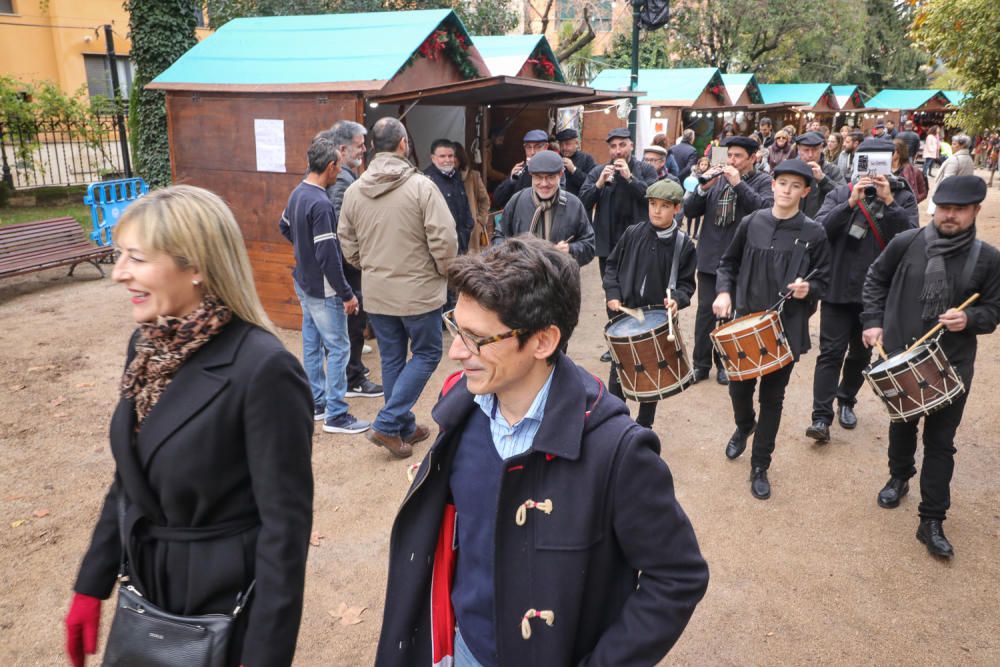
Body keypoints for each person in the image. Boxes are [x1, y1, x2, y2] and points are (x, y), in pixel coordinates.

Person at [375, 236, 709, 666]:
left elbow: (678, 576)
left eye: (477, 339)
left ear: (543, 341)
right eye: (455, 328)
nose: (456, 352)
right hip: (463, 651)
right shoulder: (459, 411)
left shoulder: (618, 452)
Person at [65, 185, 313, 666]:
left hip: (220, 606)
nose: (119, 274)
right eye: (120, 256)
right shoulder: (147, 349)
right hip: (148, 590)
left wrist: (263, 655)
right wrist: (90, 584)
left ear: (196, 265)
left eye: (136, 258)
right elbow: (128, 481)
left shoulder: (263, 369)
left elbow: (285, 530)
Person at [862, 175, 1000, 558]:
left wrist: (970, 319)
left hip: (951, 364)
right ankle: (899, 476)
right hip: (901, 354)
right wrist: (872, 321)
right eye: (944, 208)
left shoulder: (987, 258)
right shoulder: (907, 242)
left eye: (959, 210)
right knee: (901, 424)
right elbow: (875, 279)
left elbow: (994, 309)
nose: (949, 216)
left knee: (941, 441)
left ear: (975, 211)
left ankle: (932, 519)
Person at [339, 117, 459, 458]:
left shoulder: (354, 190)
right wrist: (442, 271)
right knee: (427, 353)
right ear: (403, 144)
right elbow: (445, 239)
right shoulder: (422, 187)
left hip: (377, 292)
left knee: (392, 359)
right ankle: (389, 422)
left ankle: (403, 425)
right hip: (419, 293)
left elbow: (346, 241)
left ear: (374, 147)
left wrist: (370, 267)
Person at [713, 159, 831, 499]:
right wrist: (723, 292)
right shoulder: (752, 222)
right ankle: (743, 425)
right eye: (783, 183)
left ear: (805, 191)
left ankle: (760, 464)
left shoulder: (814, 233)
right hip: (746, 322)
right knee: (738, 389)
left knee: (773, 399)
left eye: (796, 186)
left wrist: (811, 290)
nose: (787, 190)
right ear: (773, 185)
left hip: (786, 326)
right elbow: (728, 263)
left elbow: (823, 277)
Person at [806, 138, 919, 443]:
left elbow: (912, 239)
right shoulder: (841, 192)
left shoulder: (902, 196)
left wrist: (890, 203)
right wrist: (849, 204)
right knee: (830, 352)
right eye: (866, 159)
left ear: (892, 161)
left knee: (859, 353)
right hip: (838, 288)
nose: (872, 167)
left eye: (880, 160)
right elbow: (819, 231)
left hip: (877, 295)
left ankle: (846, 400)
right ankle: (820, 416)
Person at [280, 131, 369, 434]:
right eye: (340, 168)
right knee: (339, 347)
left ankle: (317, 402)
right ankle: (336, 413)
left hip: (303, 283)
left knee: (313, 343)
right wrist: (347, 294)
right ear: (331, 166)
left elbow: (284, 226)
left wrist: (301, 249)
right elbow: (329, 255)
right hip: (323, 289)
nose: (341, 173)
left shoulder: (297, 193)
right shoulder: (320, 203)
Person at [603, 179, 697, 427]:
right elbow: (612, 266)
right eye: (653, 204)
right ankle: (615, 423)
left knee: (653, 370)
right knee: (618, 373)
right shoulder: (632, 233)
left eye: (664, 206)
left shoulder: (683, 244)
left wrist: (677, 300)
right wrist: (613, 293)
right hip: (624, 316)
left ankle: (645, 424)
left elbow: (687, 285)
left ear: (677, 208)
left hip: (657, 321)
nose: (656, 210)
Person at [684, 135, 774, 385]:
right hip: (710, 256)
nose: (732, 161)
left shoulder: (763, 181)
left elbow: (764, 212)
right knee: (704, 313)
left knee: (732, 315)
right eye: (729, 155)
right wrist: (702, 189)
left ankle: (724, 363)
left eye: (738, 156)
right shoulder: (716, 180)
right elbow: (689, 211)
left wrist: (738, 184)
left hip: (741, 260)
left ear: (752, 158)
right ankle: (700, 364)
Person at [580, 127, 659, 360]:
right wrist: (599, 184)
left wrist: (629, 178)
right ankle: (616, 344)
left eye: (622, 145)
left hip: (639, 243)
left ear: (631, 146)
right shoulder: (598, 170)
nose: (618, 151)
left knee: (638, 292)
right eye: (613, 147)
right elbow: (583, 200)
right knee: (613, 294)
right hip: (608, 244)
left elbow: (652, 198)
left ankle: (640, 343)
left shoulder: (645, 169)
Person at [327, 120, 384, 401]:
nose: (364, 150)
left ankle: (353, 371)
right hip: (348, 267)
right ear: (342, 149)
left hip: (348, 265)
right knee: (352, 322)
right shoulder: (341, 180)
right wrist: (354, 259)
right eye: (360, 146)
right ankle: (353, 378)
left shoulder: (345, 175)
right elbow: (340, 227)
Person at [494, 149, 596, 266]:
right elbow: (499, 236)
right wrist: (512, 254)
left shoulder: (574, 205)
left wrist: (570, 249)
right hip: (521, 279)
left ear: (560, 175)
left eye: (550, 177)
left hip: (561, 280)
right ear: (531, 175)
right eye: (538, 177)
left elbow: (589, 245)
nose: (544, 184)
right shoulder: (517, 201)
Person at [425, 139, 475, 255]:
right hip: (441, 248)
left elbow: (465, 204)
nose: (447, 160)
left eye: (450, 156)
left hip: (462, 244)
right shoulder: (426, 180)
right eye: (442, 156)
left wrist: (469, 225)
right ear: (433, 158)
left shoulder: (456, 175)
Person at [493, 129, 552, 208]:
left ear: (546, 147)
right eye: (528, 147)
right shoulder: (520, 170)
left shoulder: (554, 170)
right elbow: (498, 199)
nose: (532, 152)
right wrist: (511, 180)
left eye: (537, 147)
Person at [793, 131, 846, 217]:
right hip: (793, 223)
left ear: (821, 148)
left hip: (821, 223)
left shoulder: (832, 170)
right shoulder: (791, 168)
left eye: (814, 150)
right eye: (806, 150)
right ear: (799, 149)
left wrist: (823, 180)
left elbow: (843, 197)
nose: (810, 155)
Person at [453, 142, 492, 254]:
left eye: (454, 156)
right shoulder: (442, 179)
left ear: (460, 157)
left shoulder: (473, 176)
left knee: (471, 266)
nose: (450, 159)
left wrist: (480, 221)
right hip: (451, 231)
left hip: (471, 232)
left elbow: (485, 200)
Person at [554, 128, 597, 198]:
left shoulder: (587, 159)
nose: (564, 148)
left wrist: (573, 170)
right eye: (561, 144)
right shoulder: (556, 158)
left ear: (576, 143)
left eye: (567, 144)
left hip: (579, 202)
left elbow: (591, 184)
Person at [683, 156, 711, 238]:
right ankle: (688, 232)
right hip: (691, 196)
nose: (703, 166)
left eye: (706, 165)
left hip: (701, 198)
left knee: (698, 215)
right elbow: (690, 184)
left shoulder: (709, 175)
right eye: (702, 164)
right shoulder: (694, 173)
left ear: (708, 166)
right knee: (690, 215)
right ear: (699, 165)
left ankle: (695, 233)